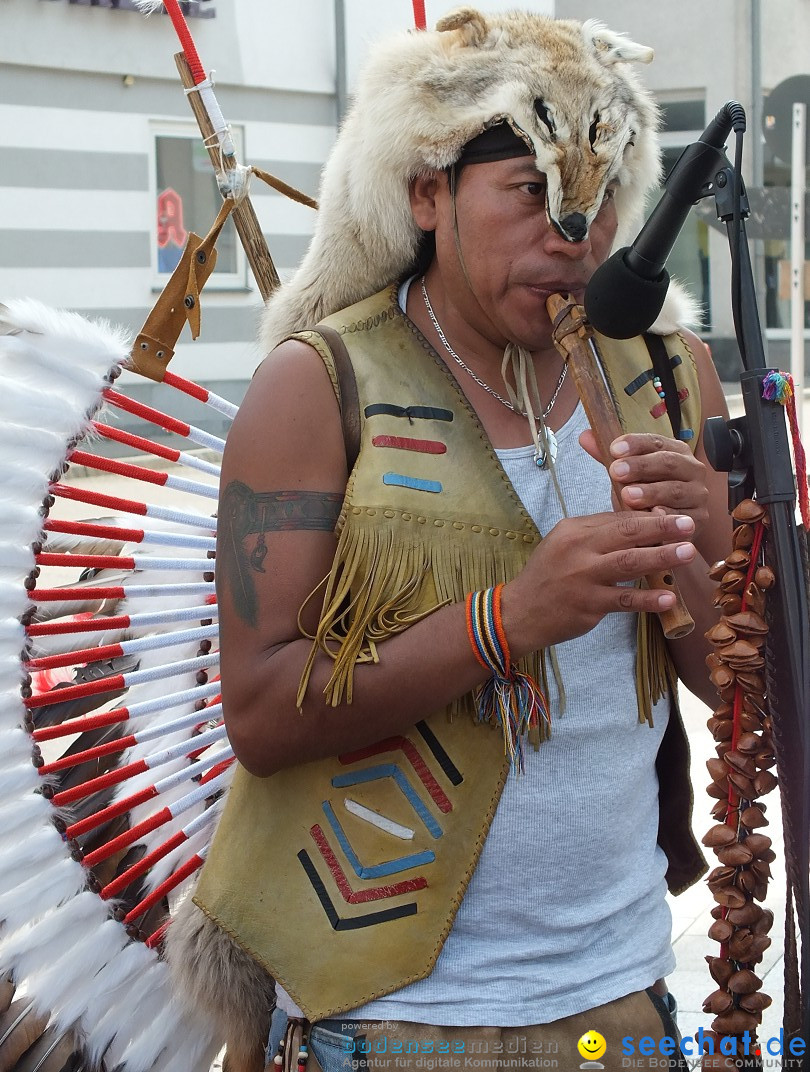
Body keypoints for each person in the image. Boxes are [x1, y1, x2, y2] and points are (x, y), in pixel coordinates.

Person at [169, 10, 733, 1072]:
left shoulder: (667, 375)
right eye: (532, 193)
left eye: (603, 196)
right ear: (427, 194)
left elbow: (738, 685)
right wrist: (509, 617)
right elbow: (259, 710)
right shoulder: (318, 384)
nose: (577, 235)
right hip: (382, 1022)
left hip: (623, 1003)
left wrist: (708, 555)